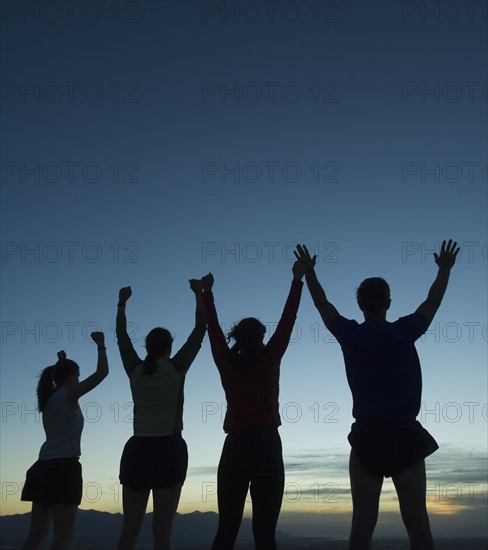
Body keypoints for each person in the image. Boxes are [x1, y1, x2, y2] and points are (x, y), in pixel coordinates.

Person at [294, 240, 460, 550]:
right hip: (404, 435)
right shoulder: (403, 331)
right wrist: (444, 270)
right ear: (388, 302)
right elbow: (432, 302)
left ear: (360, 304)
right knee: (417, 522)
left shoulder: (351, 335)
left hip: (368, 436)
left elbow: (323, 305)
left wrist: (310, 274)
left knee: (362, 524)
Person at [199, 262, 305, 550]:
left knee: (226, 530)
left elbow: (213, 330)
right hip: (267, 446)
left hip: (235, 448)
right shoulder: (270, 358)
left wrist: (207, 294)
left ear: (238, 338)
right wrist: (297, 279)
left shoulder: (227, 362)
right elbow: (288, 319)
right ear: (261, 335)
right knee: (265, 534)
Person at [115, 281, 206, 550]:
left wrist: (122, 303)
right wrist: (199, 295)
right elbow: (200, 330)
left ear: (148, 347)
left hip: (138, 450)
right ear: (169, 346)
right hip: (169, 449)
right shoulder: (177, 367)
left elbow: (121, 337)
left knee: (129, 529)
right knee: (163, 530)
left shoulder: (134, 368)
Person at [21, 332, 109, 550]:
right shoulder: (70, 395)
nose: (79, 379)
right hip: (64, 470)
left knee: (35, 536)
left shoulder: (50, 397)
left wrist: (62, 361)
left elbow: (62, 377)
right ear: (71, 376)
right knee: (63, 540)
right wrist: (101, 345)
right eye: (78, 375)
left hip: (42, 469)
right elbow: (102, 373)